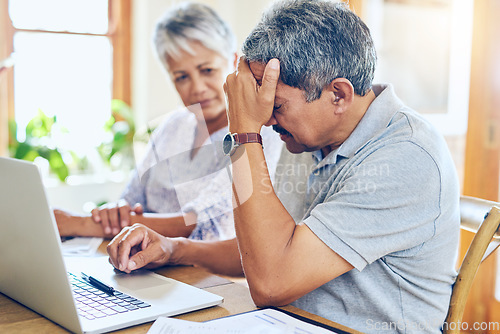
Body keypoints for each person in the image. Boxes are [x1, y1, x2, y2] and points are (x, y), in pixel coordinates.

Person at [107, 1, 460, 332]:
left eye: (274, 105)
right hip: (292, 321)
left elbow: (271, 282)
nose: (265, 119)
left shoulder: (405, 156)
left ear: (338, 95)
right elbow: (271, 246)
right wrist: (175, 249)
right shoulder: (310, 135)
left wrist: (244, 134)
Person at [55, 2, 281, 276]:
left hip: (209, 277)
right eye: (181, 77)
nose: (197, 88)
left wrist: (74, 223)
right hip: (142, 268)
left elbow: (198, 223)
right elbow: (129, 198)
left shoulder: (259, 134)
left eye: (207, 70)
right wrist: (115, 211)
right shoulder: (173, 125)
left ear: (233, 61)